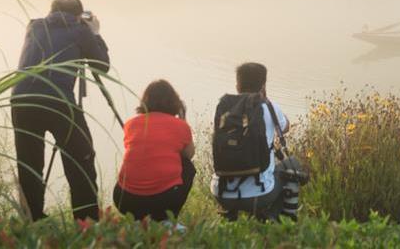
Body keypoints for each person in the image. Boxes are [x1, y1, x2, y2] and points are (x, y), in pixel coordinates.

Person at [10, 0, 110, 221]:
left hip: (22, 100)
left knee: (29, 164)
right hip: (58, 102)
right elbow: (102, 66)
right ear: (78, 15)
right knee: (81, 159)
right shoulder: (80, 30)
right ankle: (86, 222)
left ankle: (32, 220)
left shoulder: (33, 26)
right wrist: (94, 32)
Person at [211, 62, 291, 221]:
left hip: (221, 194)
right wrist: (266, 99)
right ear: (263, 85)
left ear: (237, 85)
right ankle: (277, 219)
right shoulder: (269, 107)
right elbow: (286, 127)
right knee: (293, 167)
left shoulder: (224, 107)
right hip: (259, 195)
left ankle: (230, 215)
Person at [113, 80, 196, 222]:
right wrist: (183, 119)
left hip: (124, 199)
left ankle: (138, 223)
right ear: (175, 103)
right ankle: (167, 219)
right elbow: (189, 154)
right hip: (162, 202)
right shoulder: (180, 126)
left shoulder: (131, 124)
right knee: (188, 166)